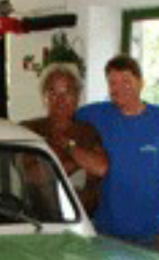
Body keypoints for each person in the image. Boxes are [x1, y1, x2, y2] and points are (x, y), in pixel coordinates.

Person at [76, 54, 159, 248]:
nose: (119, 88)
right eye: (112, 83)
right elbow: (63, 119)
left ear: (141, 83)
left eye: (126, 81)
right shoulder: (97, 114)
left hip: (153, 235)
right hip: (106, 233)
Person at [21, 63, 108, 215]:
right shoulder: (30, 129)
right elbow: (35, 176)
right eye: (53, 92)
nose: (60, 100)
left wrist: (68, 146)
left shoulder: (87, 131)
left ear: (77, 98)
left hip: (82, 219)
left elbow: (100, 167)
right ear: (44, 97)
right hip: (40, 219)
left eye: (67, 93)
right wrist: (80, 161)